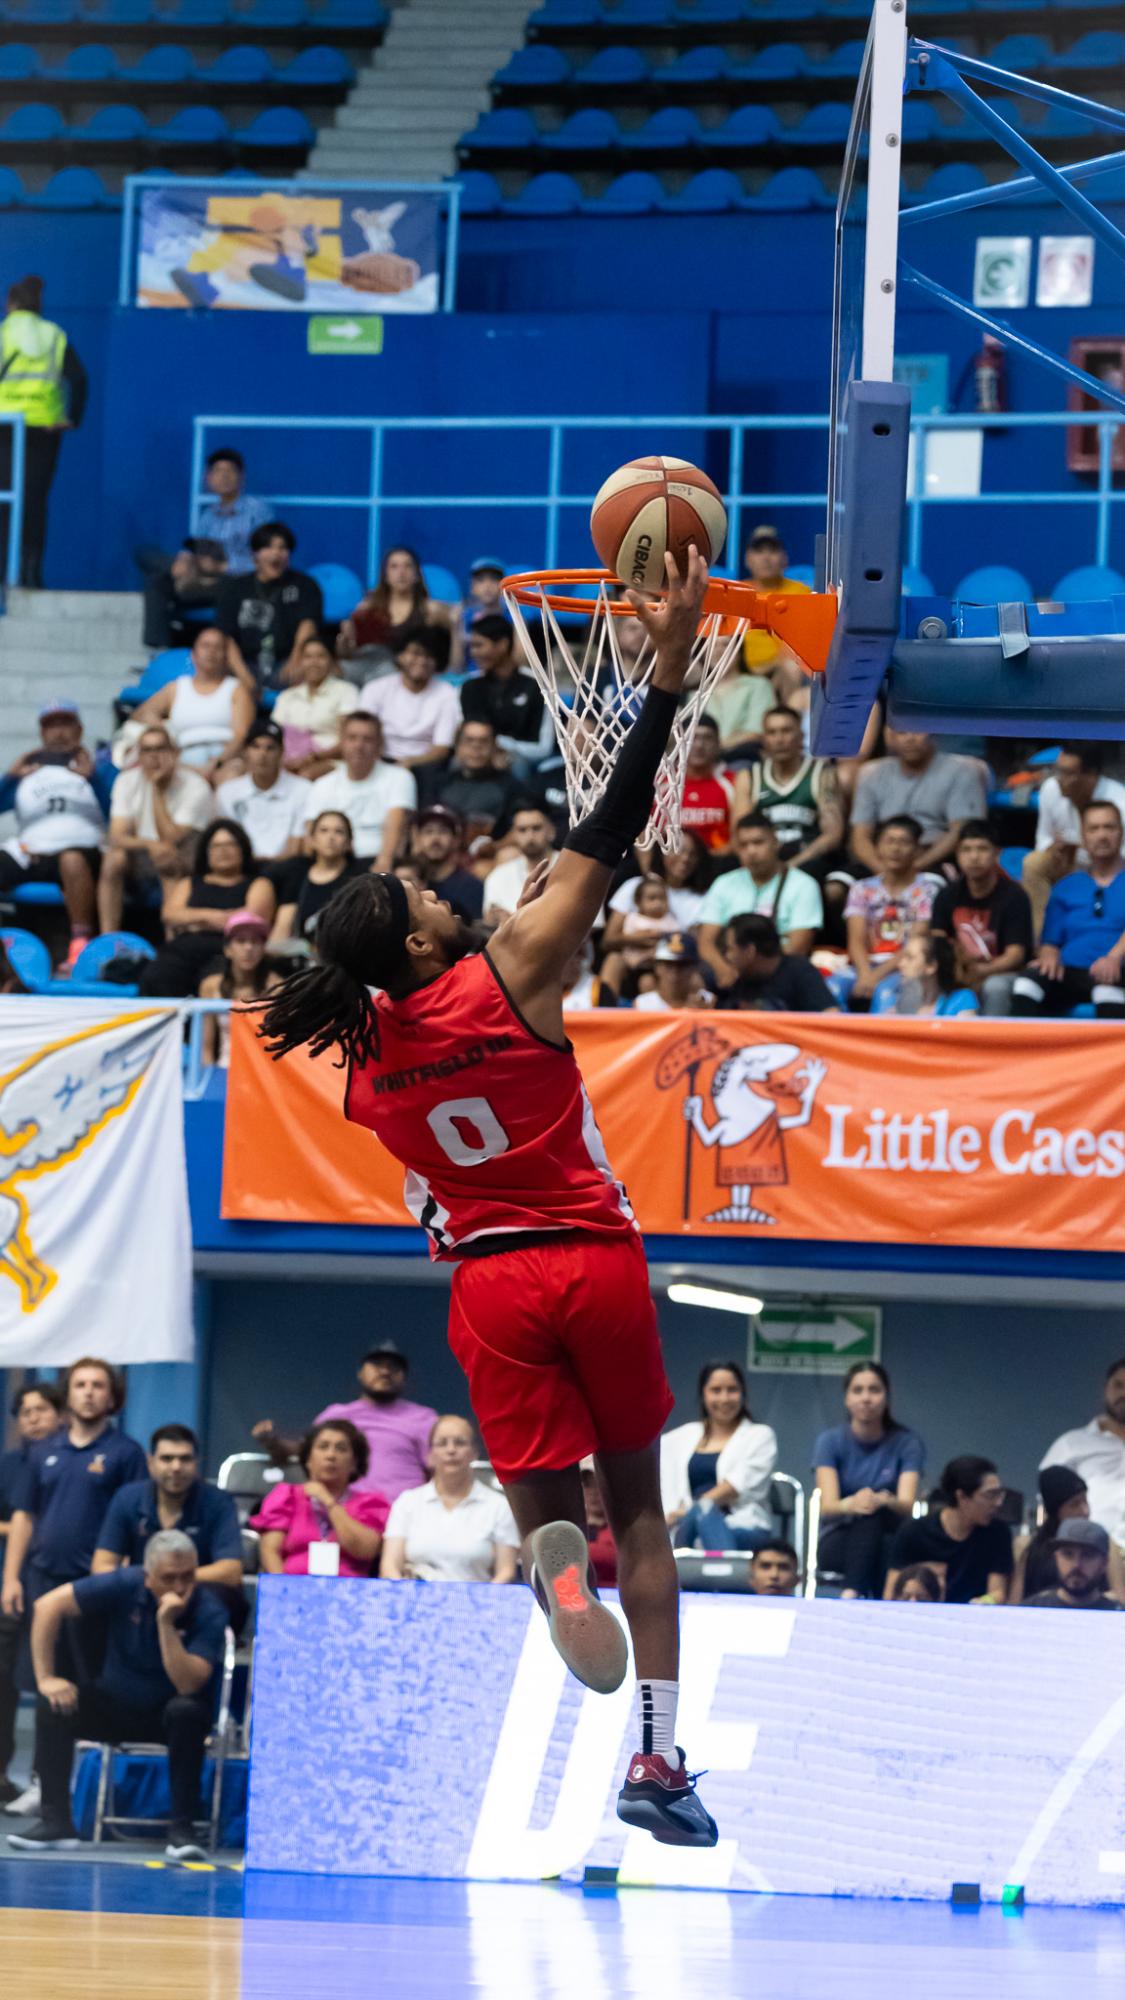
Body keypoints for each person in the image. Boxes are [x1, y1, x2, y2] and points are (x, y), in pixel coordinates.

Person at [257, 548, 721, 1847]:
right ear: (414, 945)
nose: (440, 885)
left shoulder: (366, 1071)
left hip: (489, 1281)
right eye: (420, 894)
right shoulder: (514, 964)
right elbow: (611, 823)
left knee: (555, 1505)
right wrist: (670, 665)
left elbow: (421, 1181)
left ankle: (546, 1557)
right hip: (591, 1254)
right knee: (640, 1507)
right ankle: (657, 1760)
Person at [7, 1529, 226, 1858]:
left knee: (187, 1710)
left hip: (170, 1716)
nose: (181, 1587)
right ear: (148, 1577)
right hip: (116, 1705)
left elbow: (188, 1684)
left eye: (188, 1576)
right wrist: (47, 1677)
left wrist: (166, 1624)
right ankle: (57, 1823)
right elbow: (47, 1606)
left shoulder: (208, 1609)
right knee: (52, 1704)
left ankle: (182, 1829)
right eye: (169, 1578)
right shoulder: (125, 1583)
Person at [1, 1357, 147, 1780]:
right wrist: (11, 1578)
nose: (88, 1391)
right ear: (68, 1394)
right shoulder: (44, 1451)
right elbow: (25, 1518)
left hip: (95, 1589)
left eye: (98, 1384)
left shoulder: (126, 1454)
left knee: (88, 1687)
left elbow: (135, 1523)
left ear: (112, 1396)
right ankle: (43, 1785)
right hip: (42, 1583)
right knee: (46, 1685)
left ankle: (85, 1785)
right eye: (80, 1384)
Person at [254, 1340, 438, 1505]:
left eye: (394, 1367)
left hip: (404, 1517)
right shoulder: (337, 1415)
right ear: (360, 1373)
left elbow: (442, 1470)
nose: (384, 1371)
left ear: (404, 1377)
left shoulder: (424, 1418)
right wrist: (272, 1442)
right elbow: (302, 1453)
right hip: (345, 1515)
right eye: (376, 1365)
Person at [92, 1425, 243, 1625]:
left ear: (197, 1463)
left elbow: (231, 1571)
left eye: (185, 1459)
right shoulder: (127, 1498)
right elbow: (101, 1566)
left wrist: (171, 1580)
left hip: (198, 1603)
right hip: (141, 1598)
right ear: (151, 1462)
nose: (176, 1467)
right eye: (167, 1458)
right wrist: (153, 1582)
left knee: (217, 1598)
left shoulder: (218, 1502)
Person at [0, 700, 109, 971]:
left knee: (71, 859)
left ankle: (80, 942)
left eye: (65, 724)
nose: (59, 732)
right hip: (32, 853)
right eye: (52, 726)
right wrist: (11, 777)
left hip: (82, 854)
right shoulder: (28, 773)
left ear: (79, 729)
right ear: (42, 732)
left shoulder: (100, 768)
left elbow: (117, 812)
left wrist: (93, 778)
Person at [0, 274, 87, 588]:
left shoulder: (3, 332)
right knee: (34, 502)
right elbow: (78, 379)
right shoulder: (54, 335)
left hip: (5, 427)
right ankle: (30, 575)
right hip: (45, 430)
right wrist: (71, 418)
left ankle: (2, 572)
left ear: (11, 304)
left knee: (4, 500)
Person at [813, 1363, 925, 1599]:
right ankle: (881, 1604)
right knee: (869, 1522)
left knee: (876, 1523)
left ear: (886, 1397)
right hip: (838, 1539)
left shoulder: (907, 1442)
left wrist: (883, 1501)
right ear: (846, 1398)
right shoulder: (829, 1442)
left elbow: (906, 1506)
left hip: (892, 1534)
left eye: (874, 1390)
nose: (866, 1398)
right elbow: (828, 1507)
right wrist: (852, 1503)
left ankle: (851, 1594)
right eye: (858, 1390)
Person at [0, 1385, 61, 1809]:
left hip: (52, 1584)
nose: (33, 1418)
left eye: (41, 1410)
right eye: (25, 1412)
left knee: (47, 1680)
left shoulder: (66, 1461)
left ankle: (47, 1779)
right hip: (9, 1586)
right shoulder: (9, 1465)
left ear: (60, 1414)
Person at [1011, 799, 1125, 1020]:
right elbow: (1051, 941)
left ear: (1121, 832)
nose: (1102, 835)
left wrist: (1114, 957)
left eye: (1109, 827)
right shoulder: (1067, 885)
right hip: (1071, 972)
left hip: (1119, 972)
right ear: (1083, 837)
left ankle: (1114, 1056)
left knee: (1107, 990)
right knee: (1028, 982)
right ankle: (1024, 1053)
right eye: (1094, 828)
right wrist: (1048, 955)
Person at [99, 724, 214, 934]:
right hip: (143, 856)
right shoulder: (126, 781)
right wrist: (151, 845)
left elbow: (172, 838)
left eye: (161, 749)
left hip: (185, 858)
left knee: (167, 859)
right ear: (139, 755)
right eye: (147, 750)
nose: (154, 757)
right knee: (114, 859)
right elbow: (117, 836)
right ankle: (107, 938)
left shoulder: (195, 786)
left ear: (175, 753)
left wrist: (156, 790)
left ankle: (173, 940)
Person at [139, 818, 273, 999]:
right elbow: (170, 915)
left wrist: (193, 920)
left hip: (227, 955)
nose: (223, 851)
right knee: (155, 976)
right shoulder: (189, 883)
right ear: (206, 852)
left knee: (215, 985)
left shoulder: (259, 883)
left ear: (243, 849)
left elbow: (249, 920)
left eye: (230, 844)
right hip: (182, 953)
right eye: (216, 846)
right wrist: (218, 916)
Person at [380, 1415, 519, 1583]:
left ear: (474, 1453)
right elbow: (389, 1566)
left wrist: (483, 1603)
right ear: (430, 1455)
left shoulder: (499, 1506)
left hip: (477, 1604)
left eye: (460, 1443)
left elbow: (506, 1571)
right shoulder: (407, 1502)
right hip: (414, 1603)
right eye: (442, 1443)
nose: (451, 1450)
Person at [660, 1361, 777, 1554]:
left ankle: (715, 1581)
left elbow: (734, 1487)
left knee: (705, 1511)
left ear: (743, 1394)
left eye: (732, 1390)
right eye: (716, 1390)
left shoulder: (760, 1436)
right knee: (696, 1520)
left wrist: (692, 1510)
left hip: (744, 1527)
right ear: (703, 1395)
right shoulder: (679, 1438)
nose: (724, 1398)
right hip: (685, 1526)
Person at [697, 812, 824, 985]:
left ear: (776, 843)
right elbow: (706, 942)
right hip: (728, 970)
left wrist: (753, 969)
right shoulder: (723, 883)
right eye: (743, 845)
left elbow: (797, 947)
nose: (751, 851)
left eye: (758, 842)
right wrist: (723, 969)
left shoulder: (803, 885)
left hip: (778, 973)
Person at [251, 1421, 388, 1577]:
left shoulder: (370, 1503)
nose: (331, 1455)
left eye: (341, 1449)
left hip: (349, 1595)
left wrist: (329, 1502)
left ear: (354, 1463)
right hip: (291, 1590)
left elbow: (366, 1550)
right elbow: (270, 1551)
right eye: (323, 1447)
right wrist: (284, 1591)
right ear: (308, 1459)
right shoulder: (287, 1496)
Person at [928, 819, 1034, 1017]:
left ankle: (990, 1044)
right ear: (957, 855)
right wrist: (958, 973)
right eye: (966, 850)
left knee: (995, 987)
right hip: (959, 971)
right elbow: (938, 943)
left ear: (997, 853)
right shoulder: (947, 895)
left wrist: (978, 971)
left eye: (982, 849)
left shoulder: (1015, 896)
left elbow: (1015, 955)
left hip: (1001, 973)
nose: (974, 857)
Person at [849, 730, 987, 881]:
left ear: (933, 732)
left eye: (918, 730)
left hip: (933, 859)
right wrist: (885, 872)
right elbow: (860, 837)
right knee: (835, 888)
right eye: (902, 732)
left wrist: (915, 867)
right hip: (883, 862)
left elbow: (961, 830)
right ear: (890, 736)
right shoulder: (870, 772)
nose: (910, 738)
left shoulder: (963, 769)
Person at [1023, 743, 1125, 937]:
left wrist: (1081, 853)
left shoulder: (1121, 802)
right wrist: (1053, 849)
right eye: (1058, 771)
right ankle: (1041, 941)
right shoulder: (1051, 789)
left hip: (1110, 873)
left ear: (1091, 775)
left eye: (1068, 774)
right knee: (1033, 863)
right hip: (1066, 863)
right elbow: (1043, 838)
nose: (1060, 779)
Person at [884, 1455, 1013, 1605]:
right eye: (990, 1495)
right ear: (962, 1496)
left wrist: (982, 1602)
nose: (997, 1503)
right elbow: (891, 1593)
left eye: (999, 1494)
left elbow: (998, 1592)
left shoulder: (998, 1533)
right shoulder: (914, 1532)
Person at [216, 521, 323, 695]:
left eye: (282, 548)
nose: (276, 553)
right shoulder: (235, 588)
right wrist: (243, 675)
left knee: (306, 672)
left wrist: (296, 659)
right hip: (246, 661)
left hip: (286, 659)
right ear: (254, 555)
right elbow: (226, 637)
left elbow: (308, 626)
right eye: (268, 547)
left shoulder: (305, 585)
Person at [733, 706, 844, 875]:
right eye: (772, 732)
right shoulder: (749, 776)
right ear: (764, 739)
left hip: (807, 857)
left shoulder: (822, 774)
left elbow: (833, 835)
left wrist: (792, 866)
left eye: (786, 731)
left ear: (801, 736)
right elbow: (740, 833)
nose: (779, 739)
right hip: (764, 858)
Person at [136, 625, 255, 779]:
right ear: (193, 654)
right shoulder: (177, 687)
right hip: (182, 758)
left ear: (226, 657)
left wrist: (216, 764)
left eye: (217, 647)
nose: (211, 651)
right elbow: (142, 712)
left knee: (230, 777)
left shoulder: (236, 689)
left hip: (225, 759)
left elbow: (241, 735)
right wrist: (161, 728)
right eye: (206, 646)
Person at [303, 712, 416, 868]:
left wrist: (384, 863)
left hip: (378, 864)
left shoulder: (400, 777)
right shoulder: (322, 784)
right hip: (333, 865)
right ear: (341, 742)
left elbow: (397, 825)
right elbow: (311, 837)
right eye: (352, 738)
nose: (359, 745)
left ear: (379, 745)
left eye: (367, 739)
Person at [844, 815, 934, 1007]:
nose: (895, 848)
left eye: (904, 842)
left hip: (904, 967)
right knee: (834, 987)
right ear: (877, 847)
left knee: (885, 993)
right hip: (864, 966)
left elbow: (916, 941)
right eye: (889, 841)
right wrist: (866, 973)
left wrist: (875, 976)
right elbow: (855, 941)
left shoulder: (927, 891)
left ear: (917, 850)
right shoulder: (861, 888)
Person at [1041, 1356, 1125, 1548]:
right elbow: (1050, 1498)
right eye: (1118, 1385)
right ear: (1105, 1390)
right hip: (1087, 1557)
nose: (1123, 1393)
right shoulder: (1072, 1444)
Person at [338, 546, 459, 675]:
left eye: (407, 566)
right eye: (394, 567)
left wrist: (452, 672)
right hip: (374, 677)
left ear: (417, 575)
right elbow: (351, 657)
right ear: (385, 575)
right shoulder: (367, 610)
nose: (401, 572)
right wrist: (343, 644)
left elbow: (457, 631)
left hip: (415, 677)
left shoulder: (431, 610)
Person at [358, 628, 462, 773]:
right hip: (380, 760)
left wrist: (409, 763)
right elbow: (365, 731)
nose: (422, 661)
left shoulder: (447, 693)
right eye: (415, 653)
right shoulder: (376, 688)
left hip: (426, 764)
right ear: (400, 656)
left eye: (429, 656)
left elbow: (442, 748)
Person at [461, 616, 549, 770]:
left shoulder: (538, 686)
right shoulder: (470, 686)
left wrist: (504, 746)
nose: (473, 653)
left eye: (479, 645)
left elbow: (543, 748)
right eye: (472, 646)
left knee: (517, 766)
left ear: (502, 644)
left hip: (520, 762)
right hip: (478, 757)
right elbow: (463, 738)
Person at [269, 810, 368, 949]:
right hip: (302, 959)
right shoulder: (297, 874)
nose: (331, 837)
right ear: (312, 840)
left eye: (339, 831)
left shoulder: (360, 879)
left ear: (348, 842)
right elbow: (282, 928)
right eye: (324, 830)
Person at [216, 720, 311, 862]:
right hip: (243, 870)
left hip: (287, 869)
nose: (262, 754)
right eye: (255, 746)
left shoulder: (303, 789)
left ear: (281, 753)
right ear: (245, 752)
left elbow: (296, 848)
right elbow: (229, 844)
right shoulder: (227, 792)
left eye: (270, 748)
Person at [199, 910, 283, 1065]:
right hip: (224, 1071)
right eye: (241, 940)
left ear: (263, 948)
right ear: (227, 949)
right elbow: (206, 1048)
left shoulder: (277, 987)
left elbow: (280, 1044)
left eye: (255, 941)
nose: (248, 948)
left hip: (263, 1073)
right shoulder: (210, 986)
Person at [271, 633, 358, 780]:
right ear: (300, 661)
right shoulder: (287, 696)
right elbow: (274, 736)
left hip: (331, 760)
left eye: (321, 656)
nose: (314, 662)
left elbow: (348, 739)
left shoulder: (346, 691)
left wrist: (312, 758)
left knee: (304, 777)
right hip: (288, 760)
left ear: (331, 660)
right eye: (308, 657)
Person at [427, 719, 529, 837]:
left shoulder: (513, 788)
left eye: (484, 741)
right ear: (457, 747)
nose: (476, 747)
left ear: (495, 747)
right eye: (469, 740)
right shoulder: (438, 783)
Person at [722, 912, 837, 1012]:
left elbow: (831, 1014)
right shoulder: (742, 980)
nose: (727, 956)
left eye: (730, 949)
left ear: (750, 951)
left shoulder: (800, 972)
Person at [605, 835, 713, 939]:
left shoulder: (706, 897)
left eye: (693, 854)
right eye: (678, 850)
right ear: (662, 852)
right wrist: (640, 939)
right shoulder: (636, 885)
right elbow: (609, 940)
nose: (685, 858)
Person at [740, 525, 811, 679]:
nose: (766, 557)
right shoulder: (737, 592)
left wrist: (774, 665)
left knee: (791, 667)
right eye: (759, 551)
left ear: (785, 559)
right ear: (747, 559)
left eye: (772, 550)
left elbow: (802, 643)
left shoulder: (800, 592)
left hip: (781, 670)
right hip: (740, 672)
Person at [194, 446, 271, 575]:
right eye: (218, 471)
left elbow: (267, 557)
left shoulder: (256, 510)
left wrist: (222, 567)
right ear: (208, 478)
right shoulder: (208, 514)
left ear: (241, 477)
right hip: (210, 575)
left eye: (230, 471)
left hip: (242, 578)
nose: (224, 477)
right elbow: (197, 549)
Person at [1022, 1519, 1122, 1610]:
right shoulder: (1029, 1612)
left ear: (1104, 1564)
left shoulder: (1118, 1617)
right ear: (1056, 1558)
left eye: (1087, 1555)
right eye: (1068, 1554)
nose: (1076, 1565)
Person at [482, 805, 557, 924]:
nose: (530, 836)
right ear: (513, 835)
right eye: (522, 830)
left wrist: (514, 922)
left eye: (536, 828)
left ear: (551, 831)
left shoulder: (570, 866)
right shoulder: (498, 876)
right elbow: (489, 923)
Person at [411, 806, 484, 923]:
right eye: (428, 831)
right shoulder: (411, 883)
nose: (435, 839)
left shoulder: (472, 886)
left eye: (443, 831)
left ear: (456, 840)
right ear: (418, 839)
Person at [679, 716, 735, 853]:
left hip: (719, 862)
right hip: (667, 865)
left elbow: (739, 837)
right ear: (680, 742)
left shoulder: (734, 782)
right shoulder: (662, 784)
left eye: (707, 738)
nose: (699, 745)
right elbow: (645, 833)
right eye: (693, 737)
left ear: (718, 744)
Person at [893, 929, 979, 1017]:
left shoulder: (962, 1000)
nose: (901, 964)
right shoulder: (903, 1001)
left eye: (910, 958)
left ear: (931, 967)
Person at [632, 932, 710, 1012]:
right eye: (668, 965)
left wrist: (703, 1015)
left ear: (694, 968)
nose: (675, 971)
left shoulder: (708, 1001)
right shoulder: (643, 1004)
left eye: (682, 965)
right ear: (657, 967)